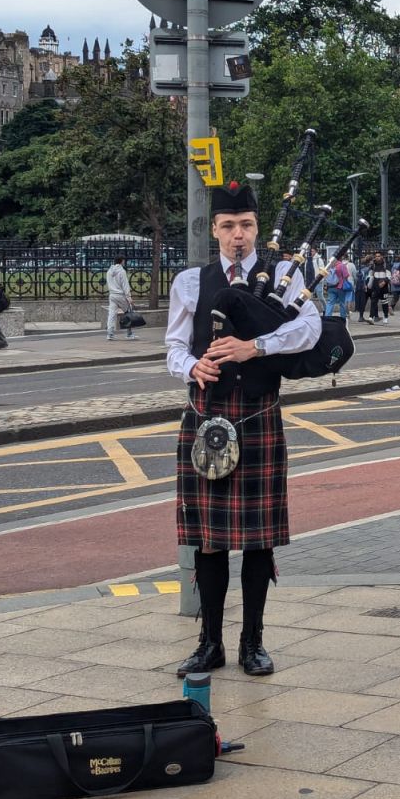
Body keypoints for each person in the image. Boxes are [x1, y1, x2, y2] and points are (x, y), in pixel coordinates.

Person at [166, 181, 321, 678]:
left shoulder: (283, 276)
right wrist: (193, 367)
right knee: (208, 540)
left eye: (247, 226)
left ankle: (252, 641)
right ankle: (209, 642)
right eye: (229, 226)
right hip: (206, 415)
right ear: (214, 229)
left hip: (257, 415)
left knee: (259, 541)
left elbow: (310, 328)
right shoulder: (192, 281)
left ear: (257, 229)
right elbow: (172, 347)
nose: (239, 236)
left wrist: (256, 348)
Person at [105, 255, 138, 341]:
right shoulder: (122, 271)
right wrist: (129, 297)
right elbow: (125, 285)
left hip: (112, 295)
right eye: (124, 261)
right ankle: (129, 333)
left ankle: (110, 333)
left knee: (112, 314)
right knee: (128, 312)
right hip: (121, 295)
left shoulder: (109, 271)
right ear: (121, 261)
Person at [365, 252, 391, 324]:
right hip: (375, 287)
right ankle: (371, 317)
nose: (377, 257)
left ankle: (385, 317)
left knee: (384, 303)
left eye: (379, 256)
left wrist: (384, 282)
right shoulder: (373, 266)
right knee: (373, 302)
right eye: (376, 256)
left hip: (384, 287)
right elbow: (369, 276)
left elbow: (389, 276)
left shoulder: (386, 265)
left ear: (382, 256)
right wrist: (367, 284)